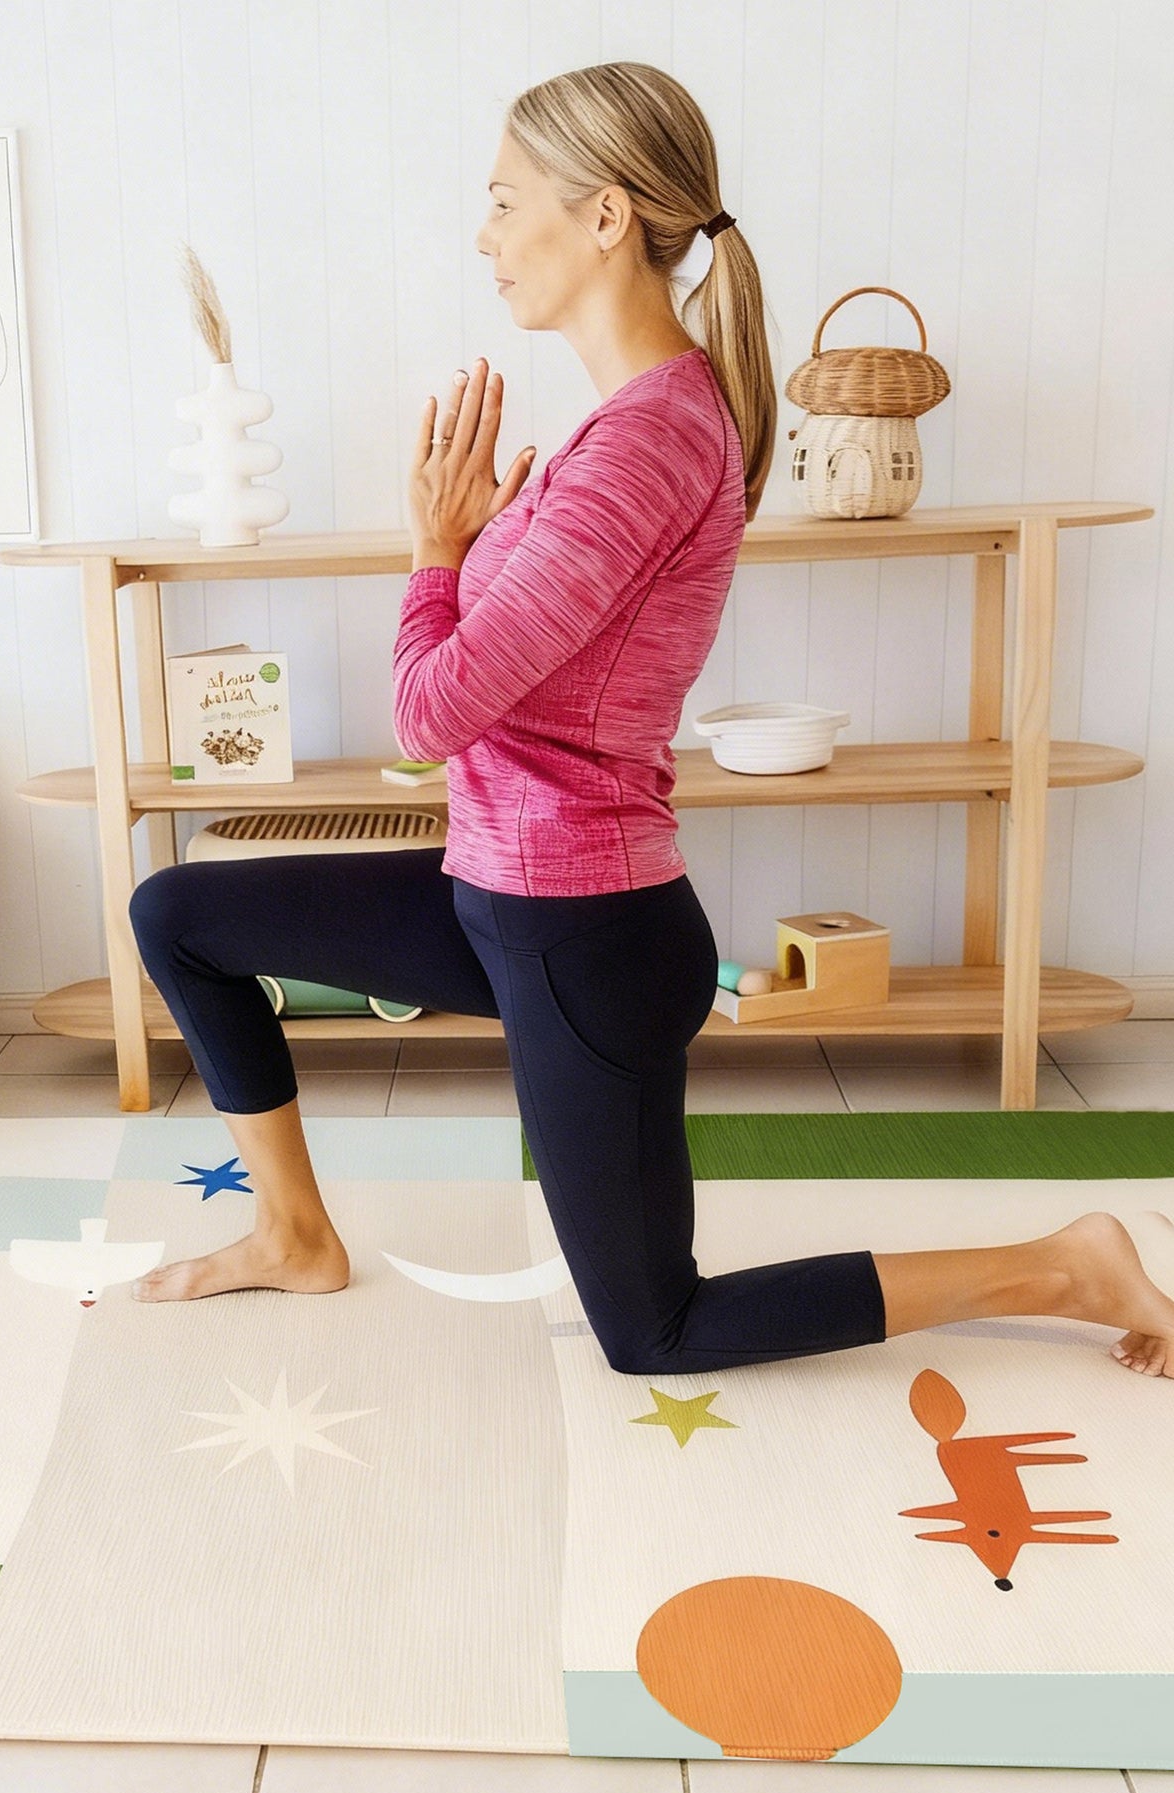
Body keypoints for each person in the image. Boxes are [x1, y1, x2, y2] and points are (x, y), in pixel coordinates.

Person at [127, 61, 1174, 1379]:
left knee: (653, 1331)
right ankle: (292, 1234)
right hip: (493, 896)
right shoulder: (621, 428)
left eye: (506, 202)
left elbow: (430, 712)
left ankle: (1068, 1264)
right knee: (180, 919)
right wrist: (463, 544)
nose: (485, 235)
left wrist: (432, 550)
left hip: (585, 936)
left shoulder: (645, 445)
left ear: (606, 214)